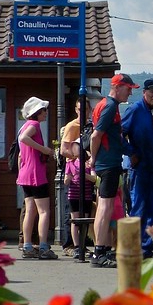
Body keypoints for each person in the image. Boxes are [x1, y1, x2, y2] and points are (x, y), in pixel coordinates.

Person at [88, 73, 139, 268]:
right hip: (107, 163)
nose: (129, 93)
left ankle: (103, 250)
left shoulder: (104, 105)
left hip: (107, 162)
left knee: (105, 206)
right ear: (117, 87)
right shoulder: (109, 107)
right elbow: (96, 136)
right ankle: (99, 252)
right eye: (128, 89)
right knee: (105, 207)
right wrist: (93, 159)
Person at [121, 78, 153, 258]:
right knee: (139, 207)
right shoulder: (135, 110)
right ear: (144, 92)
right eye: (152, 91)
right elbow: (119, 134)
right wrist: (131, 152)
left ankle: (150, 246)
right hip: (140, 167)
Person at [17, 96, 57, 260]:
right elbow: (24, 138)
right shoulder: (34, 125)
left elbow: (21, 153)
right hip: (36, 174)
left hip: (25, 173)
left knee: (30, 210)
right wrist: (45, 150)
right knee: (44, 211)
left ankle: (27, 245)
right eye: (44, 110)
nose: (46, 113)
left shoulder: (24, 125)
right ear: (37, 112)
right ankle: (43, 245)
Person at [59, 97, 94, 253]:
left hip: (87, 173)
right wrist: (79, 156)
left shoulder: (91, 127)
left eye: (85, 110)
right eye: (80, 110)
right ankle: (70, 245)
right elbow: (63, 150)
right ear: (76, 110)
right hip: (74, 173)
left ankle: (83, 244)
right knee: (71, 212)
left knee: (85, 212)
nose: (83, 113)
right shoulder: (72, 126)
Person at [64, 143, 96, 262]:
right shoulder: (70, 163)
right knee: (75, 221)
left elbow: (94, 178)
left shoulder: (88, 163)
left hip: (86, 196)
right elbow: (66, 181)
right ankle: (77, 246)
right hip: (74, 195)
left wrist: (84, 173)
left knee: (85, 221)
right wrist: (68, 178)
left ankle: (83, 245)